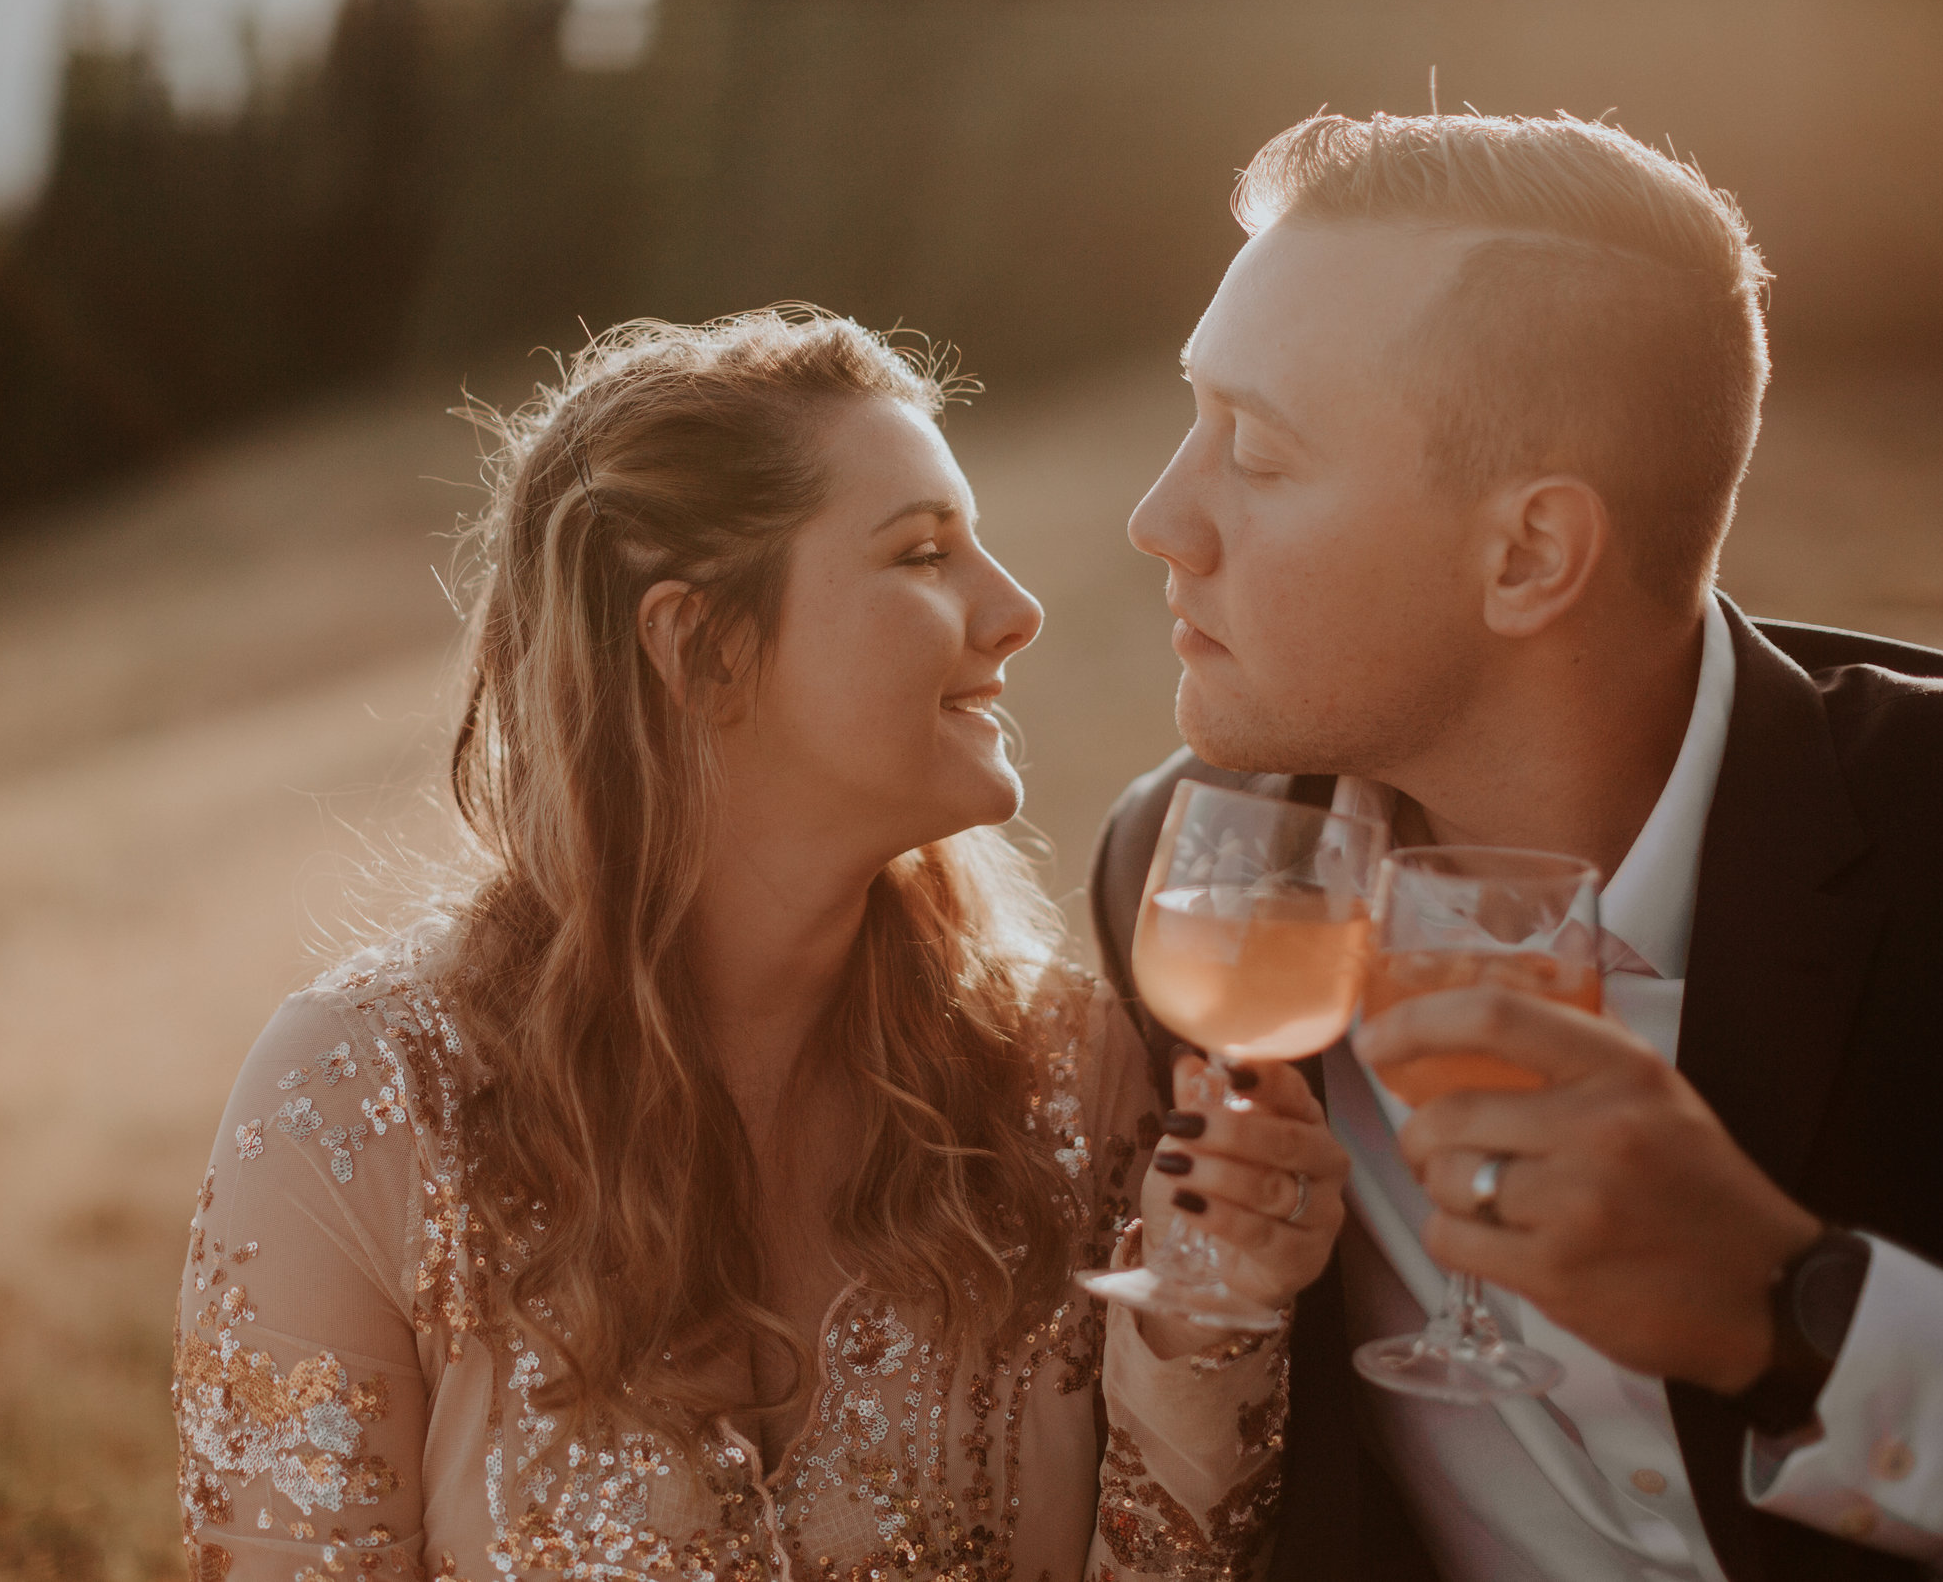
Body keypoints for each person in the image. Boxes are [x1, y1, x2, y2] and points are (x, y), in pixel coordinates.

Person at [1091, 113, 1943, 1581]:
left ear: (1530, 553)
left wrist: (1781, 1308)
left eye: (1253, 450)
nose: (1159, 520)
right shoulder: (1189, 865)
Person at [171, 310, 1349, 1581]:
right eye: (920, 553)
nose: (1014, 609)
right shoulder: (359, 1104)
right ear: (699, 645)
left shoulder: (1070, 1075)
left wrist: (1206, 1320)